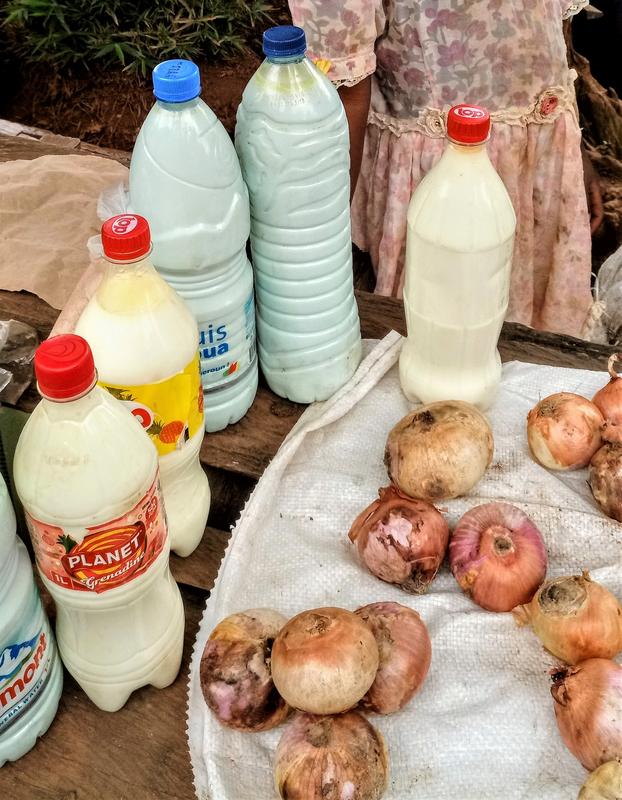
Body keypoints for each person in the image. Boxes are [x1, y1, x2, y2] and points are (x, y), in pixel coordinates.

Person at [287, 0, 604, 338]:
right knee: (441, 344)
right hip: (441, 186)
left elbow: (550, 29)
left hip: (541, 161)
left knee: (531, 345)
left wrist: (571, 141)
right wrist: (317, 252)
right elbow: (342, 91)